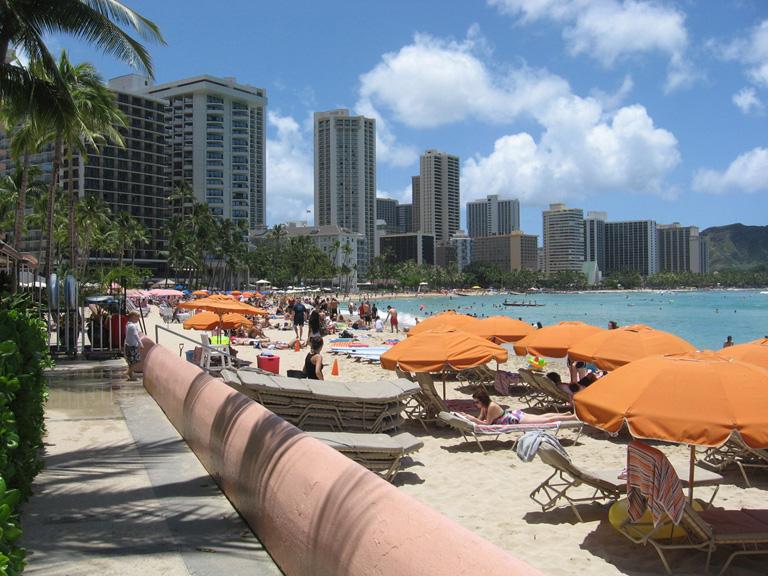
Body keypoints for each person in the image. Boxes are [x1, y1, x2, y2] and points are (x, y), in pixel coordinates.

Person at [458, 389, 579, 425]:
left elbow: (487, 424)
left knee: (545, 420)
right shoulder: (484, 407)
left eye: (476, 402)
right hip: (514, 415)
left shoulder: (491, 407)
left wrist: (472, 419)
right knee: (542, 417)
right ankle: (565, 414)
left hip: (515, 419)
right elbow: (481, 420)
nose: (475, 404)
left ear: (482, 400)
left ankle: (572, 417)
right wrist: (468, 417)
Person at [124, 311, 144, 381]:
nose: (138, 319)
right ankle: (128, 372)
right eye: (138, 317)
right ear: (133, 317)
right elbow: (136, 335)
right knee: (135, 361)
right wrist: (141, 344)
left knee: (131, 362)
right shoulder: (132, 326)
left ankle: (130, 375)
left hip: (128, 345)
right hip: (132, 346)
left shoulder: (128, 324)